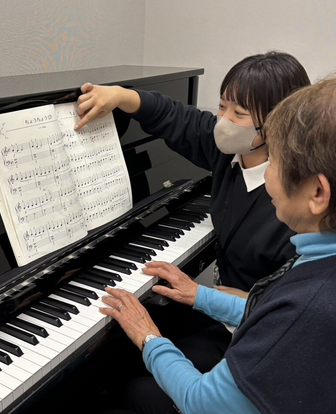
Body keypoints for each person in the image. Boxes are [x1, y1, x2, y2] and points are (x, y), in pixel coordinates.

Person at [97, 76, 336, 413]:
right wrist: (200, 295)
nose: (266, 173)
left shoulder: (310, 303)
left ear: (318, 193)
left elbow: (202, 403)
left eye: (276, 162)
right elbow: (267, 314)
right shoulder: (320, 259)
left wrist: (148, 336)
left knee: (129, 394)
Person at [73, 51, 311, 373]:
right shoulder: (229, 150)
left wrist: (243, 298)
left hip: (253, 332)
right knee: (117, 352)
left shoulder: (295, 204)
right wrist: (121, 96)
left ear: (277, 123)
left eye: (239, 113)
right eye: (222, 106)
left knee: (140, 383)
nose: (224, 121)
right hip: (219, 303)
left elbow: (296, 309)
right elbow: (173, 116)